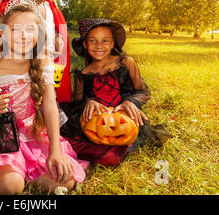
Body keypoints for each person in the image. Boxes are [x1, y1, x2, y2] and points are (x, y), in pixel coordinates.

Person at [0, 0, 87, 195]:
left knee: (65, 183)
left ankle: (27, 174)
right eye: (15, 29)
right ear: (2, 33)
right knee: (8, 188)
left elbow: (50, 108)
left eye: (30, 29)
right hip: (6, 140)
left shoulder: (43, 63)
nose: (23, 35)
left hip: (36, 134)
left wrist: (55, 151)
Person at [60, 18, 153, 167]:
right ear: (85, 44)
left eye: (105, 41)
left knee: (115, 152)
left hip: (122, 120)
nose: (99, 46)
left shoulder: (125, 63)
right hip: (98, 122)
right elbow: (76, 103)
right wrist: (88, 102)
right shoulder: (82, 74)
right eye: (93, 41)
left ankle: (110, 151)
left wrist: (131, 102)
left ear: (112, 44)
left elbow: (143, 91)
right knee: (66, 136)